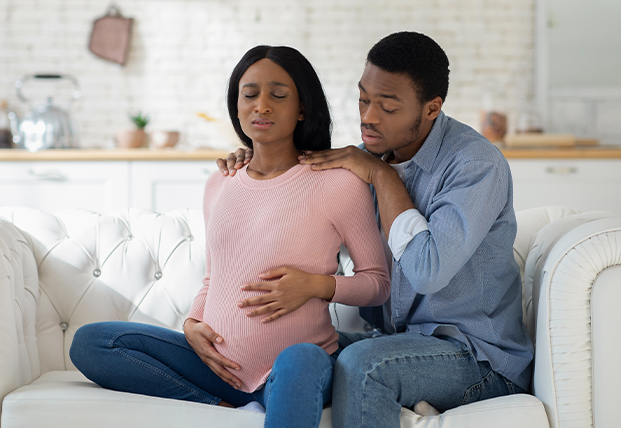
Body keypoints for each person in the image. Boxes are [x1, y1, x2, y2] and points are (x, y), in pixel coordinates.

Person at [217, 32, 534, 428]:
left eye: (387, 106)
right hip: (391, 342)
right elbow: (306, 214)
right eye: (364, 99)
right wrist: (256, 158)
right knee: (300, 354)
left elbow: (427, 270)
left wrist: (383, 177)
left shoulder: (475, 165)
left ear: (432, 108)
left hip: (476, 358)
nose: (368, 116)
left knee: (363, 365)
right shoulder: (366, 158)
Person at [69, 45, 390, 428]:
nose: (262, 106)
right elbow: (214, 279)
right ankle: (217, 404)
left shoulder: (338, 184)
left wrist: (316, 285)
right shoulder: (220, 182)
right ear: (236, 107)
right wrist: (192, 323)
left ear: (302, 107)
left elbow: (378, 283)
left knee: (302, 359)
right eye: (250, 94)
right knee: (92, 342)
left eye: (279, 95)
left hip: (291, 368)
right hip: (216, 366)